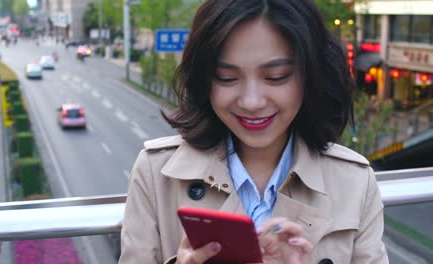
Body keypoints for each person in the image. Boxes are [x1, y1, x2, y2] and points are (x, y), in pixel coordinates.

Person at [120, 0, 388, 263]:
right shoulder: (156, 173)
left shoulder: (355, 183)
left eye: (276, 76)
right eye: (227, 78)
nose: (251, 102)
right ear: (204, 79)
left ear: (310, 76)